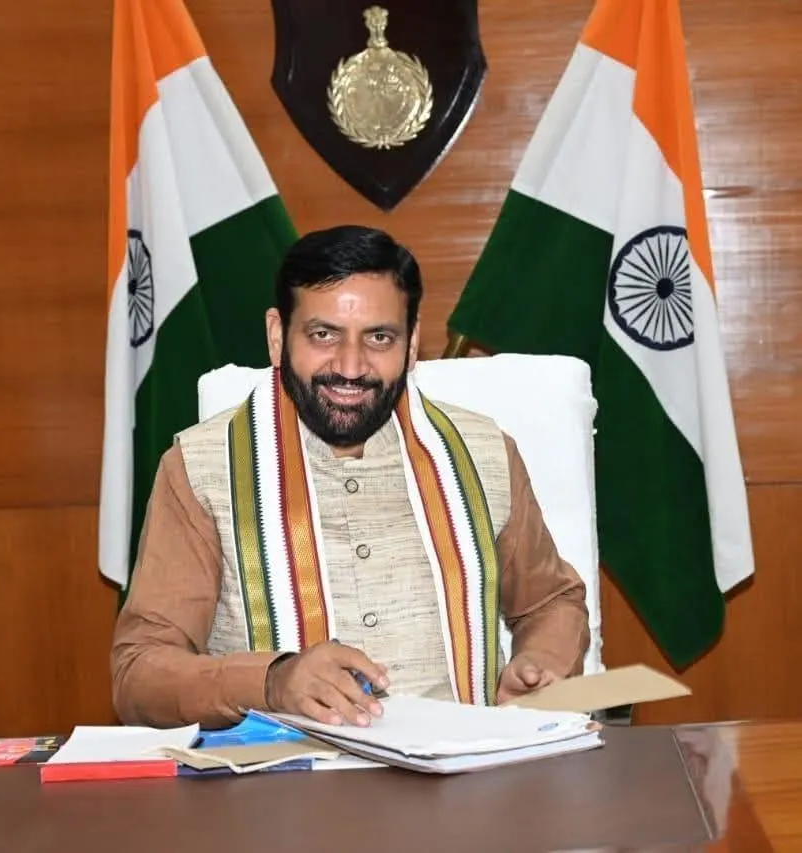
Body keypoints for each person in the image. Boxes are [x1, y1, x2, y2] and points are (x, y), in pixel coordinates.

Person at [111, 225, 589, 729]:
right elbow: (139, 674)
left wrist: (543, 665)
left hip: (467, 788)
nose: (351, 366)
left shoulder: (484, 454)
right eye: (323, 334)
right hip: (278, 791)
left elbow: (551, 601)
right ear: (278, 337)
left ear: (410, 344)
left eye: (379, 337)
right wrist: (271, 682)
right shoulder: (200, 468)